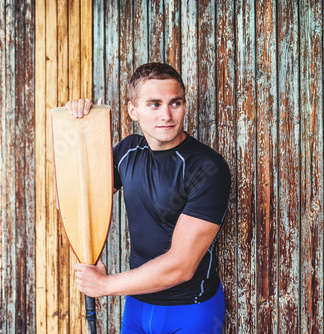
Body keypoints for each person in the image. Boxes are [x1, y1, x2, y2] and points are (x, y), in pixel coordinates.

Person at [68, 62, 231, 334]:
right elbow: (75, 202)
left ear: (184, 105)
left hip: (190, 310)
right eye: (154, 104)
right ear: (134, 111)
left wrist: (104, 285)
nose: (166, 114)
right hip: (137, 307)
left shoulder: (206, 167)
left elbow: (181, 266)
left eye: (174, 103)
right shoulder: (128, 150)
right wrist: (82, 132)